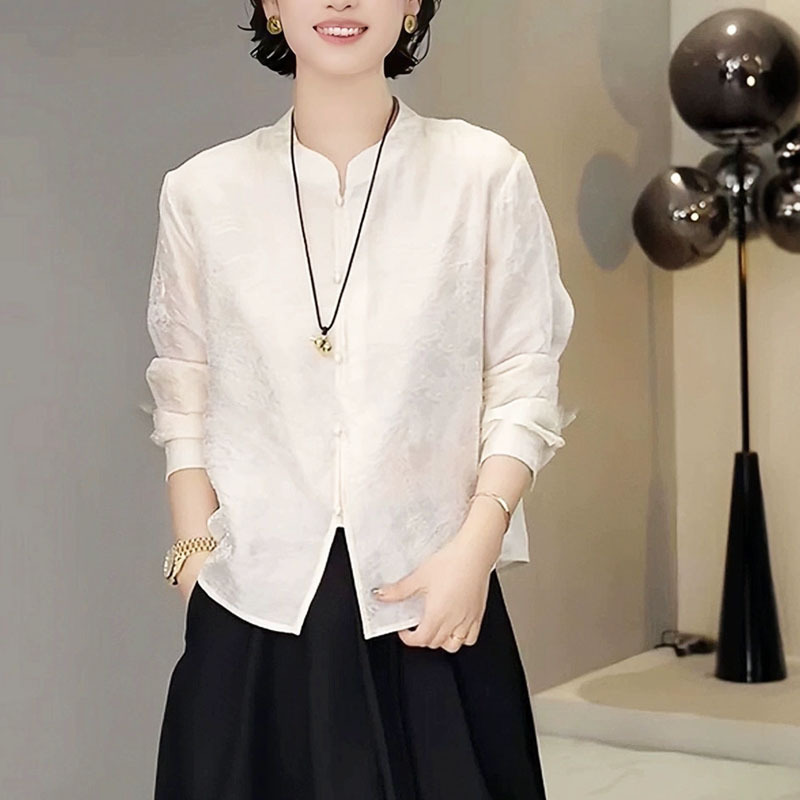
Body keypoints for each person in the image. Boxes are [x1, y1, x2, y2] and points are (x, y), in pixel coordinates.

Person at [146, 1, 576, 798]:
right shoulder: (201, 192)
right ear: (271, 5)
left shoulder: (483, 174)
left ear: (411, 4)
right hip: (254, 606)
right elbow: (184, 385)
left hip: (429, 597)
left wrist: (475, 549)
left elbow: (523, 376)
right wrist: (193, 558)